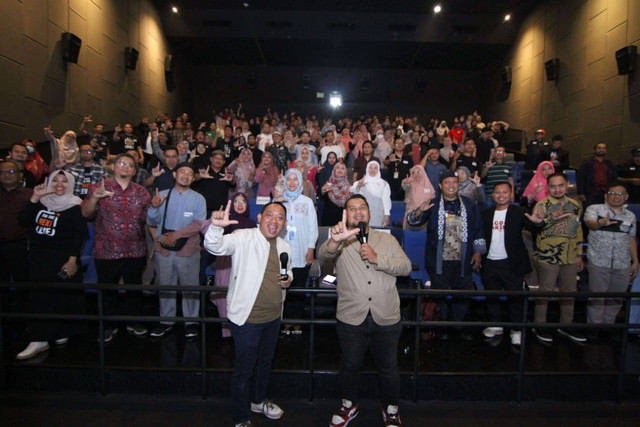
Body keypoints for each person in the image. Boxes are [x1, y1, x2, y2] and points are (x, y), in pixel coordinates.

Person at [318, 195, 412, 427]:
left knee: (388, 367)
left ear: (369, 213)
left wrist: (377, 257)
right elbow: (323, 257)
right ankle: (349, 404)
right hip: (351, 316)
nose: (358, 212)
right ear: (346, 214)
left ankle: (391, 408)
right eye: (352, 209)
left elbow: (406, 267)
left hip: (386, 315)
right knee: (349, 365)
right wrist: (334, 241)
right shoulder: (340, 239)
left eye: (362, 208)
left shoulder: (386, 239)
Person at [204, 202, 293, 427]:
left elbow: (287, 271)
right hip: (247, 319)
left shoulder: (284, 246)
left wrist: (288, 278)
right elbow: (215, 246)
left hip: (274, 317)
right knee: (244, 369)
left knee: (265, 363)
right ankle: (241, 417)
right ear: (260, 217)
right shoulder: (243, 237)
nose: (274, 221)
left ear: (284, 223)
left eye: (280, 217)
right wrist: (215, 227)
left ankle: (258, 401)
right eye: (270, 215)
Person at [406, 170, 486, 341]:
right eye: (447, 183)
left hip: (463, 259)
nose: (451, 185)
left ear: (458, 184)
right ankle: (441, 327)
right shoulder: (432, 204)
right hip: (438, 260)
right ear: (440, 186)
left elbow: (479, 229)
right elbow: (413, 222)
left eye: (454, 182)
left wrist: (478, 252)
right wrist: (419, 211)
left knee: (462, 295)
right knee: (440, 295)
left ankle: (457, 327)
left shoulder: (470, 204)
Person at [16, 170, 87, 359]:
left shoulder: (75, 204)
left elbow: (79, 235)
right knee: (41, 297)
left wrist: (73, 260)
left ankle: (61, 332)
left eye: (64, 181)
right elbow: (23, 220)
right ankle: (39, 339)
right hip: (40, 259)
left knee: (61, 297)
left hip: (63, 260)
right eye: (55, 180)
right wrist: (34, 197)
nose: (59, 185)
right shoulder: (42, 201)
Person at [81, 153, 151, 342]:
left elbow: (148, 220)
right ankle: (108, 326)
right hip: (107, 249)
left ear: (134, 171)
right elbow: (86, 213)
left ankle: (133, 322)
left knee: (134, 288)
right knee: (107, 290)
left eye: (129, 165)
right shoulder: (100, 187)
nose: (125, 167)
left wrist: (155, 243)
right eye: (121, 163)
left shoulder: (142, 192)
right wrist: (95, 198)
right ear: (113, 166)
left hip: (136, 249)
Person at [146, 162, 206, 339]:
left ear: (193, 178)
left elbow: (199, 224)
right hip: (164, 249)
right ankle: (166, 321)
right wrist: (154, 207)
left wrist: (177, 235)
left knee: (190, 287)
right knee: (165, 285)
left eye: (190, 173)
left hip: (188, 249)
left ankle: (191, 322)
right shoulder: (162, 195)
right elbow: (151, 221)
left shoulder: (198, 198)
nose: (186, 175)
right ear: (174, 175)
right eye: (182, 172)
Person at [527, 172, 586, 344]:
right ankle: (540, 325)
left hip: (570, 256)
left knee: (569, 293)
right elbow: (536, 226)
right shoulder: (542, 205)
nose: (557, 189)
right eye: (553, 186)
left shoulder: (574, 205)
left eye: (560, 185)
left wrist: (579, 254)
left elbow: (578, 231)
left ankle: (565, 324)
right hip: (548, 255)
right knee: (544, 292)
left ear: (567, 185)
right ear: (547, 187)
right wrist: (547, 220)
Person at [480, 182, 533, 346]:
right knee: (492, 295)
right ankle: (495, 325)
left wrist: (538, 222)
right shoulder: (486, 214)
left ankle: (516, 330)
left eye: (504, 192)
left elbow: (534, 226)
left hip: (512, 262)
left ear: (510, 194)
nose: (501, 195)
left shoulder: (519, 212)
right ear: (493, 194)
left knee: (515, 297)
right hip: (490, 261)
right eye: (497, 192)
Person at [584, 182, 638, 339]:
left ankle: (607, 328)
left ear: (626, 197)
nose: (616, 197)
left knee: (616, 297)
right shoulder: (595, 209)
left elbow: (631, 238)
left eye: (620, 194)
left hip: (622, 263)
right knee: (597, 297)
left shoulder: (630, 216)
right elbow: (590, 224)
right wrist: (600, 223)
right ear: (606, 195)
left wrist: (635, 260)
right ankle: (593, 329)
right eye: (613, 193)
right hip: (599, 261)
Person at [207, 193, 256, 338]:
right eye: (236, 201)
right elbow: (207, 233)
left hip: (245, 264)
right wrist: (215, 223)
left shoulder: (252, 224)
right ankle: (227, 331)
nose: (240, 204)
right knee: (224, 296)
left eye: (243, 202)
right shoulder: (224, 221)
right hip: (226, 263)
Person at [281, 169, 318, 335]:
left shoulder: (307, 202)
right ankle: (284, 321)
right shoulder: (278, 201)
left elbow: (313, 227)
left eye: (295, 179)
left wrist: (311, 248)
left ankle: (297, 323)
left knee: (298, 289)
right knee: (283, 289)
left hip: (302, 251)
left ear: (301, 182)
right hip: (282, 253)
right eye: (289, 179)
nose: (292, 183)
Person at [0, 160, 33, 286]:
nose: (6, 175)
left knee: (23, 283)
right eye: (2, 172)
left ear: (20, 175)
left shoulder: (30, 194)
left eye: (11, 171)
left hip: (21, 246)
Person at [350, 161, 391, 228]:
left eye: (375, 168)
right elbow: (352, 191)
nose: (373, 170)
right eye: (370, 168)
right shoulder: (361, 182)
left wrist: (387, 215)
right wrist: (359, 186)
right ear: (367, 169)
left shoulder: (384, 184)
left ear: (378, 170)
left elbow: (386, 201)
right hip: (362, 213)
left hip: (378, 213)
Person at [577, 142, 617, 210]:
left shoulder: (609, 164)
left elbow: (613, 178)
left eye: (604, 148)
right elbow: (580, 178)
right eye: (599, 148)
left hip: (605, 193)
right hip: (590, 193)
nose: (601, 150)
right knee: (588, 212)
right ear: (594, 150)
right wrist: (581, 193)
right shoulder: (587, 163)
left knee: (603, 212)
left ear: (606, 150)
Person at [195, 150, 235, 216]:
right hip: (203, 209)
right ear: (211, 159)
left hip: (220, 210)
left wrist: (231, 180)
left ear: (224, 162)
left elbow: (233, 184)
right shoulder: (204, 171)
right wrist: (200, 176)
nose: (218, 160)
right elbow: (193, 178)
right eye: (216, 158)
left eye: (221, 159)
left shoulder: (226, 174)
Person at [401, 165, 435, 230]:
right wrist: (405, 182)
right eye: (414, 173)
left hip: (425, 217)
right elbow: (406, 186)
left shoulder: (428, 185)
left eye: (419, 172)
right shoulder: (411, 183)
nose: (416, 175)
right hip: (411, 216)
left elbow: (432, 200)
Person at [320, 162, 351, 227]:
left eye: (342, 168)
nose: (340, 170)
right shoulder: (328, 184)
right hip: (329, 219)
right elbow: (322, 198)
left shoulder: (349, 187)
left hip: (343, 219)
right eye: (337, 168)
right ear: (334, 170)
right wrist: (322, 191)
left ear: (345, 172)